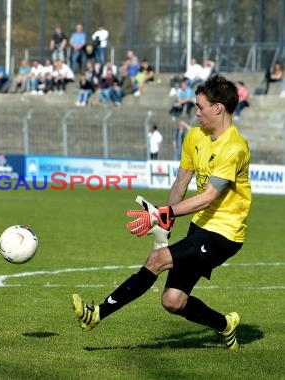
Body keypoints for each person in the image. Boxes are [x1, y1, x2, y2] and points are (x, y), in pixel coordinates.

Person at [72, 74, 251, 351]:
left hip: (225, 233)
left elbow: (208, 197)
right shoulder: (195, 136)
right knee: (173, 301)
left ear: (218, 108)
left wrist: (161, 213)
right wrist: (166, 222)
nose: (196, 112)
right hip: (201, 226)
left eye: (200, 106)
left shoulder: (234, 147)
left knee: (157, 259)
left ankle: (96, 314)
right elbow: (181, 183)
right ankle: (226, 325)